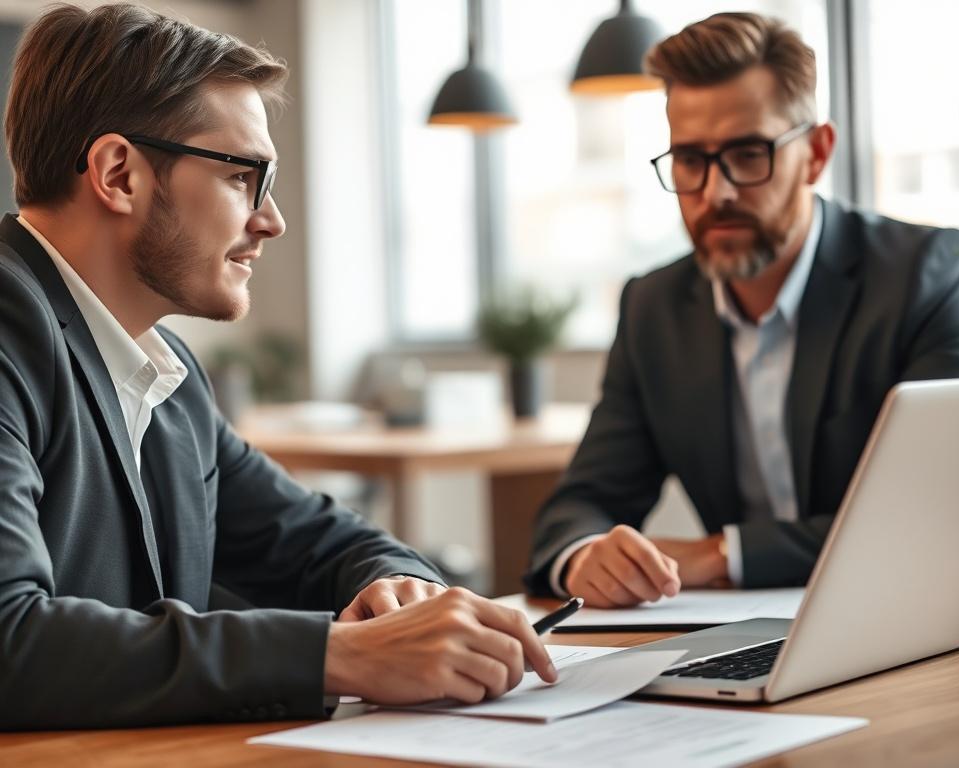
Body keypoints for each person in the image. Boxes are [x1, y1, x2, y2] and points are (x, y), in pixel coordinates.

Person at [0, 3, 554, 730]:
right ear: (118, 173)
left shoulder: (165, 378)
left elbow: (318, 538)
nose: (272, 219)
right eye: (244, 178)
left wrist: (398, 588)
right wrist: (342, 654)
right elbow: (12, 643)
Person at [526, 12, 959, 605]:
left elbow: (943, 509)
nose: (715, 192)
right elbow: (582, 502)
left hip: (902, 619)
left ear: (817, 153)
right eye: (690, 160)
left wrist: (723, 553)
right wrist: (586, 556)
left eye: (748, 154)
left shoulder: (929, 274)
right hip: (727, 632)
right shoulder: (654, 307)